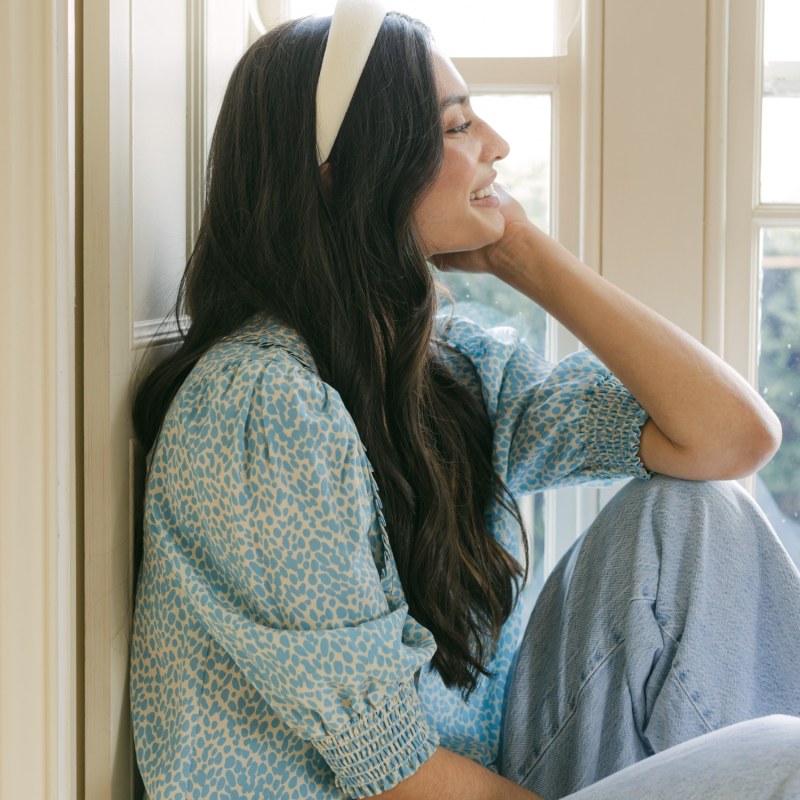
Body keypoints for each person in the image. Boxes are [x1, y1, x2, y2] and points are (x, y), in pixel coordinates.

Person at [129, 2, 800, 798]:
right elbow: (396, 778)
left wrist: (527, 255)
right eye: (455, 128)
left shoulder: (448, 369)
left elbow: (729, 437)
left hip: (490, 776)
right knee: (782, 756)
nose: (498, 147)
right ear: (344, 176)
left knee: (697, 517)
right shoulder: (260, 407)